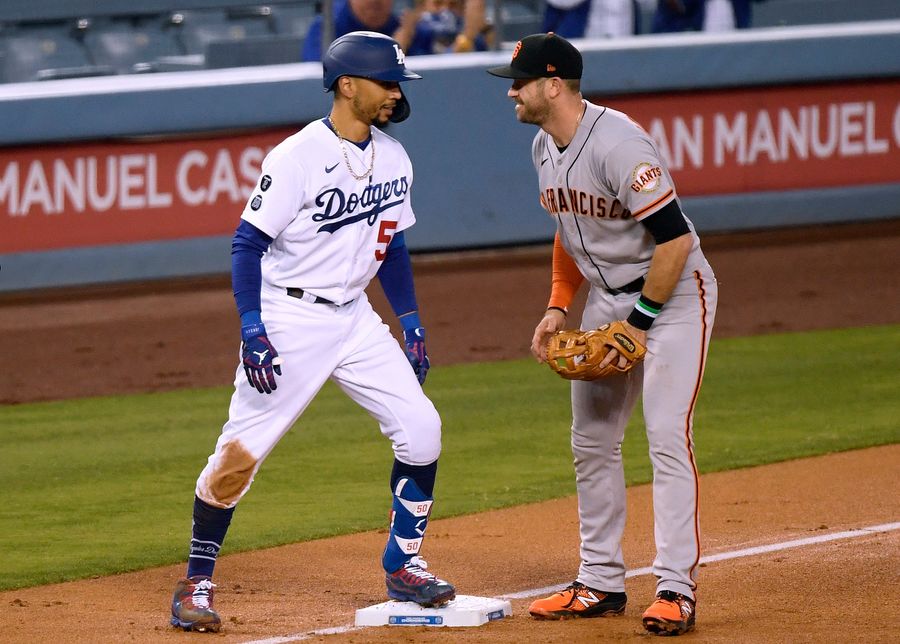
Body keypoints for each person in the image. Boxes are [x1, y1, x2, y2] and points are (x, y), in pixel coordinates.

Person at [170, 31, 455, 633]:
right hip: (289, 317)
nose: (396, 95)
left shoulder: (395, 156)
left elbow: (392, 244)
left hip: (354, 319)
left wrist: (409, 321)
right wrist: (252, 325)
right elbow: (247, 245)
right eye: (386, 82)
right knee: (239, 456)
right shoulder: (295, 157)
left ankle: (403, 563)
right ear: (347, 84)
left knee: (422, 428)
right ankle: (195, 582)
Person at [487, 33, 718, 636]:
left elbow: (675, 239)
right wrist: (559, 305)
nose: (511, 91)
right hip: (606, 300)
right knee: (591, 441)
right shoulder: (543, 146)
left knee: (666, 435)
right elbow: (571, 227)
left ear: (553, 84)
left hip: (672, 296)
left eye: (520, 81)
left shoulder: (619, 143)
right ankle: (600, 581)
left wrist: (638, 325)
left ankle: (676, 588)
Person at [302, 0, 401, 61]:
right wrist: (396, 49)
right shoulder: (325, 27)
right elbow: (321, 77)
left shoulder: (402, 27)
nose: (374, 1)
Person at [394, 0, 493, 55]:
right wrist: (405, 32)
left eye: (452, 5)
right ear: (423, 6)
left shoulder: (473, 35)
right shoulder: (416, 34)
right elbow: (390, 61)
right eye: (438, 3)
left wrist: (481, 27)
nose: (445, 10)